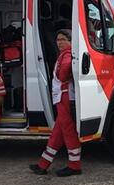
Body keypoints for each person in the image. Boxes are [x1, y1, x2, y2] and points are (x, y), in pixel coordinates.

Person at [29, 30, 82, 176]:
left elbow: (63, 74)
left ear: (70, 41)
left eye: (63, 39)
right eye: (58, 39)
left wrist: (63, 73)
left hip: (65, 97)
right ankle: (43, 164)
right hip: (62, 97)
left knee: (68, 132)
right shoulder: (65, 54)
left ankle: (75, 166)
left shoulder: (68, 54)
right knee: (57, 134)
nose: (59, 42)